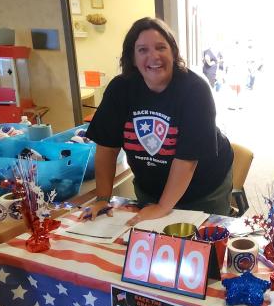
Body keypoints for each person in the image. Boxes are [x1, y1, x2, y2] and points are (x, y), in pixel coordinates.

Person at [86, 17, 233, 224]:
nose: (153, 56)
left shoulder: (195, 89)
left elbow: (187, 160)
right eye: (143, 50)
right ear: (132, 57)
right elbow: (107, 148)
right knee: (147, 244)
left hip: (203, 188)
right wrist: (102, 199)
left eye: (161, 47)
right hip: (150, 189)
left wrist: (163, 207)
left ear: (173, 52)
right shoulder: (120, 89)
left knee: (202, 247)